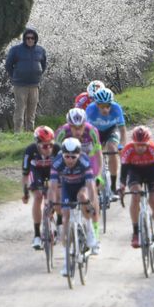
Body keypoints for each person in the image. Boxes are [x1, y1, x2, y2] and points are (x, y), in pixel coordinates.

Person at [55, 107, 103, 250]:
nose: (77, 131)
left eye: (80, 127)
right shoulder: (62, 133)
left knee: (91, 193)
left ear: (85, 124)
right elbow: (55, 158)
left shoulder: (92, 131)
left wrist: (99, 175)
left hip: (89, 160)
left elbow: (98, 154)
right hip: (69, 162)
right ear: (68, 125)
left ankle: (94, 231)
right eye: (74, 127)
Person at [49, 137, 98, 275]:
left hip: (82, 185)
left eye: (73, 157)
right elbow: (52, 187)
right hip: (67, 186)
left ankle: (89, 229)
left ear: (79, 155)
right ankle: (66, 263)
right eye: (67, 156)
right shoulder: (57, 162)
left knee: (82, 197)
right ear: (62, 154)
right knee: (65, 218)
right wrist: (51, 203)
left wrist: (91, 203)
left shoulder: (84, 161)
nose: (70, 160)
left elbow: (91, 186)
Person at [118, 126, 154, 253]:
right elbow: (124, 171)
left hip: (151, 172)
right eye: (137, 145)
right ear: (133, 142)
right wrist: (122, 185)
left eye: (143, 145)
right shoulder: (127, 149)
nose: (140, 148)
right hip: (135, 172)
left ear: (148, 142)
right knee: (135, 195)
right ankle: (135, 232)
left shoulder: (153, 148)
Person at [4, 27, 46, 133]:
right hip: (20, 85)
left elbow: (43, 65)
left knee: (32, 111)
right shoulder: (16, 50)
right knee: (20, 109)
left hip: (34, 85)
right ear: (24, 39)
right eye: (28, 38)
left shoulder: (40, 50)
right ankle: (18, 132)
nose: (30, 40)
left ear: (35, 39)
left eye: (32, 38)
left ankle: (29, 132)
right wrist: (15, 76)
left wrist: (38, 74)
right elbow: (8, 65)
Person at [85, 87, 127, 193]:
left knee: (112, 149)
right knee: (94, 152)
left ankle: (113, 184)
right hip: (95, 132)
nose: (105, 109)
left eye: (108, 106)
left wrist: (121, 146)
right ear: (96, 104)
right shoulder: (90, 110)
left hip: (110, 130)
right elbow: (85, 130)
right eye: (101, 106)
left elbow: (122, 130)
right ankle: (96, 180)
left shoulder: (116, 108)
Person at [22, 126, 57, 250]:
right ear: (37, 144)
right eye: (45, 146)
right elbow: (25, 175)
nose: (49, 149)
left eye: (51, 145)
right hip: (36, 172)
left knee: (56, 194)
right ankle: (37, 235)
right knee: (38, 197)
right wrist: (25, 193)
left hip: (52, 172)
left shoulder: (57, 149)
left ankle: (57, 222)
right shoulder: (30, 151)